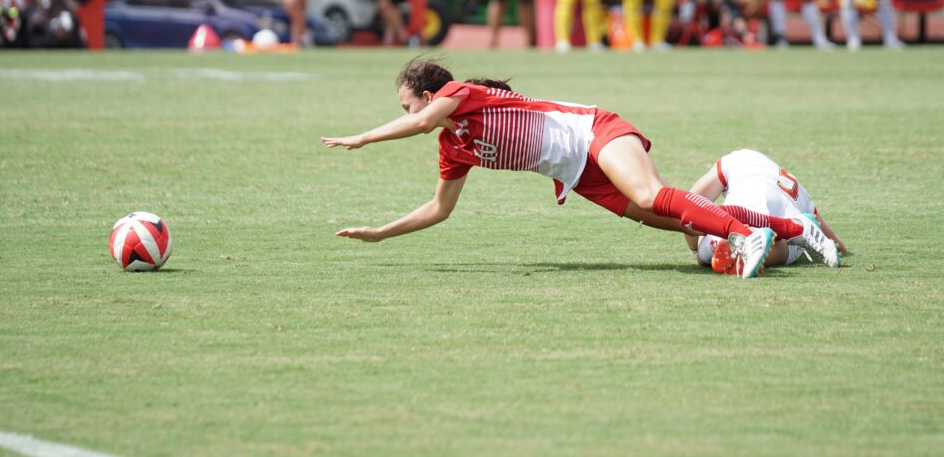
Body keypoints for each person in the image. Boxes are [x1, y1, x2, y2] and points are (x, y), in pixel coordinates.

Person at [321, 58, 840, 280]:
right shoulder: (453, 148)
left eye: (408, 105)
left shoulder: (459, 95)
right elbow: (439, 209)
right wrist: (381, 235)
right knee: (676, 217)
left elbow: (419, 123)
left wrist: (362, 137)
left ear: (430, 97)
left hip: (593, 132)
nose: (409, 115)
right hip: (580, 174)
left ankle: (747, 236)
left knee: (650, 194)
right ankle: (798, 230)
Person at [683, 149, 844, 274]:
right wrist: (841, 249)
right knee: (788, 246)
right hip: (795, 214)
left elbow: (691, 203)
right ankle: (753, 246)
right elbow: (831, 239)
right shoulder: (802, 192)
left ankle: (746, 247)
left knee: (705, 249)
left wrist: (696, 252)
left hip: (746, 200)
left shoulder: (736, 160)